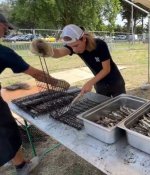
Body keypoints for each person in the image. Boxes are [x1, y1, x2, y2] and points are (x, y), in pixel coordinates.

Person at [0, 13, 70, 174]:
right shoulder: (4, 52)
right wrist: (58, 83)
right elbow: (37, 74)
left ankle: (17, 162)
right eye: (5, 27)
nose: (6, 32)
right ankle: (21, 166)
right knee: (8, 131)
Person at [30, 24, 126, 97]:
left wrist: (89, 83)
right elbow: (59, 53)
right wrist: (47, 50)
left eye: (76, 46)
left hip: (115, 81)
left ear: (83, 38)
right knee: (104, 108)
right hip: (99, 82)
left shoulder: (100, 45)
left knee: (123, 105)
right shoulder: (75, 45)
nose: (75, 50)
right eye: (72, 47)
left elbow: (106, 70)